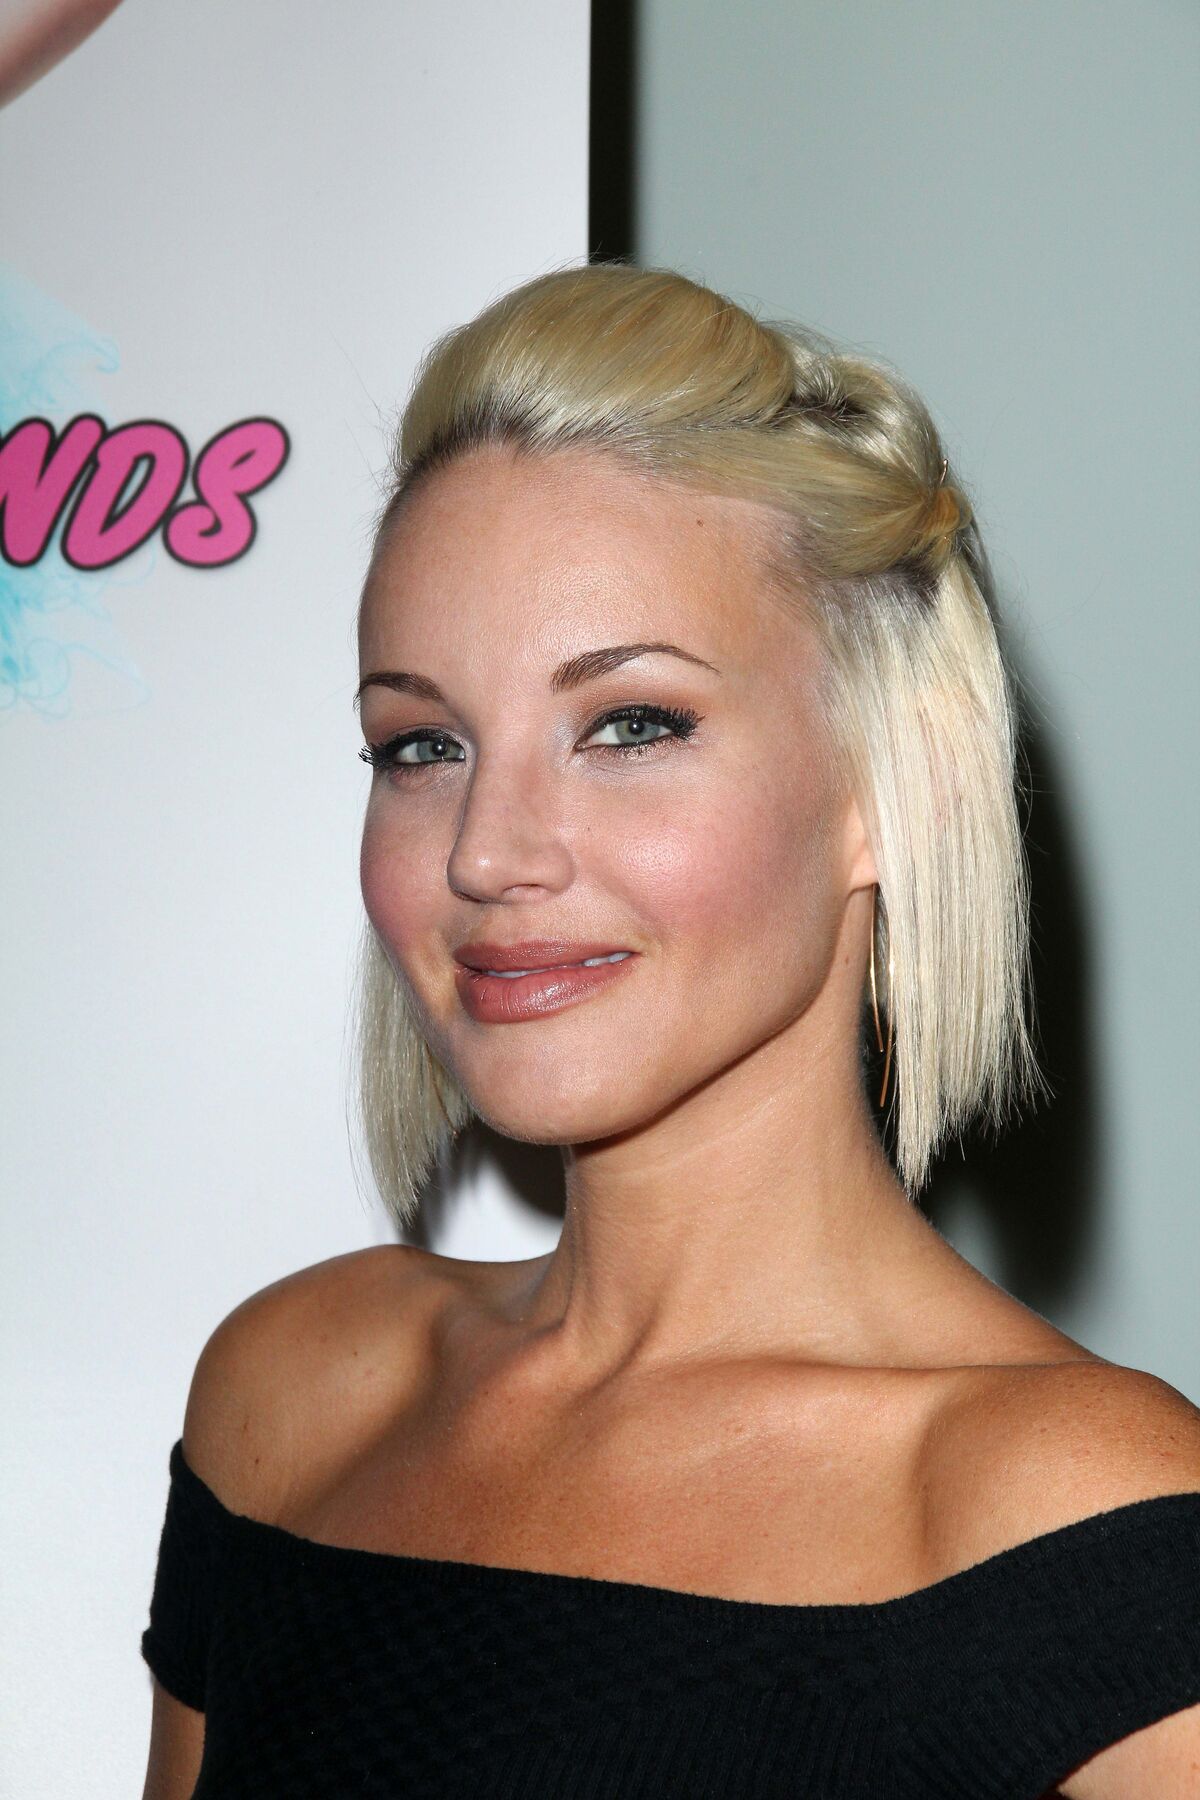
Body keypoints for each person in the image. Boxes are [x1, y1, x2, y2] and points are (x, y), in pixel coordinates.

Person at [139, 262, 1200, 1799]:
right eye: (421, 745)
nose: (487, 852)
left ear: (889, 786)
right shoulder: (293, 1400)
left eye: (631, 724)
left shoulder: (1082, 1524)